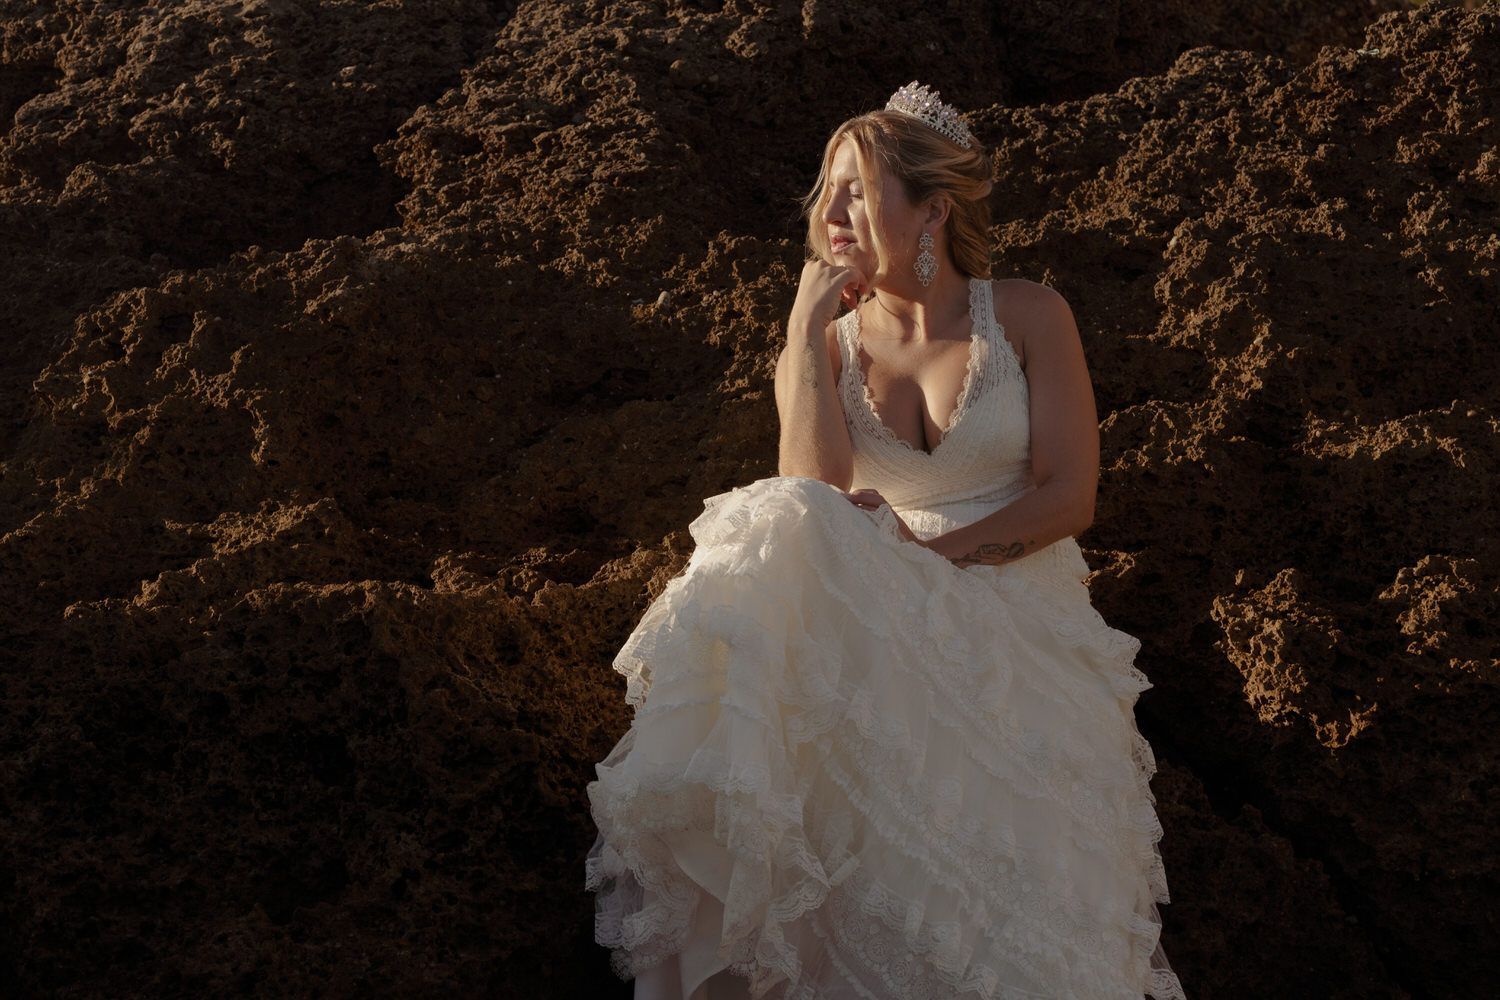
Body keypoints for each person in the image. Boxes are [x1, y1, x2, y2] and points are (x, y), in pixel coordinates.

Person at [585, 81, 1187, 1000]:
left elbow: (1069, 496)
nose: (832, 214)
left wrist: (925, 563)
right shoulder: (827, 346)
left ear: (932, 209)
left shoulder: (1028, 315)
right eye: (826, 192)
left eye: (858, 192)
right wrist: (802, 332)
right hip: (875, 603)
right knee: (777, 517)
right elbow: (812, 492)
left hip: (1014, 599)